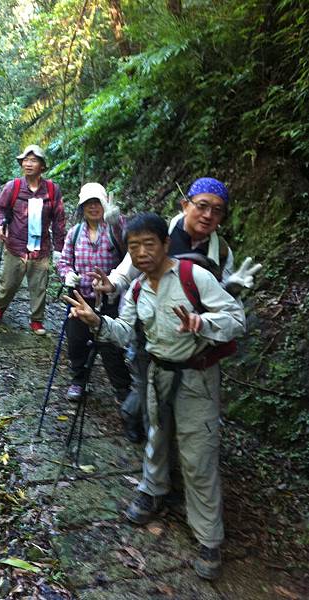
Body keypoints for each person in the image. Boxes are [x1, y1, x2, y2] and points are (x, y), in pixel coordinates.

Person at [64, 212, 246, 581]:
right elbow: (124, 332)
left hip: (197, 378)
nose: (143, 253)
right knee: (156, 438)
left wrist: (202, 323)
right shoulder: (136, 288)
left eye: (150, 244)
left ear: (166, 244)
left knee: (198, 455)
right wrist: (96, 321)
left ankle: (209, 538)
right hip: (158, 373)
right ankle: (154, 490)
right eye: (135, 247)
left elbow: (236, 318)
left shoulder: (195, 278)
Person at [92, 177, 261, 441]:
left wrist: (230, 288)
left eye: (217, 211)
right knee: (149, 391)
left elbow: (222, 301)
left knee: (179, 399)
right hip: (149, 331)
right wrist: (111, 284)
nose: (208, 215)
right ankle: (148, 438)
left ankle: (173, 452)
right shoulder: (160, 234)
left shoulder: (222, 252)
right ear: (185, 204)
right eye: (202, 206)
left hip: (192, 340)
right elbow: (128, 268)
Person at [56, 182, 131, 402]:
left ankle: (122, 388)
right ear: (81, 208)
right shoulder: (75, 233)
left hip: (110, 299)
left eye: (97, 202)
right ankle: (80, 380)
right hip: (81, 299)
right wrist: (67, 274)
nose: (93, 207)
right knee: (77, 342)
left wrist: (116, 219)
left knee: (110, 345)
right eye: (88, 203)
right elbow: (63, 262)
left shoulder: (115, 229)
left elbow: (131, 247)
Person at [0, 145, 65, 334]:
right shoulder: (13, 187)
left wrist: (59, 249)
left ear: (42, 166)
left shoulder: (52, 190)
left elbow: (59, 220)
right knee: (8, 283)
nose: (28, 164)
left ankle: (37, 320)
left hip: (41, 248)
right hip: (15, 245)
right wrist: (0, 224)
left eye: (33, 160)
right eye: (25, 160)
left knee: (39, 286)